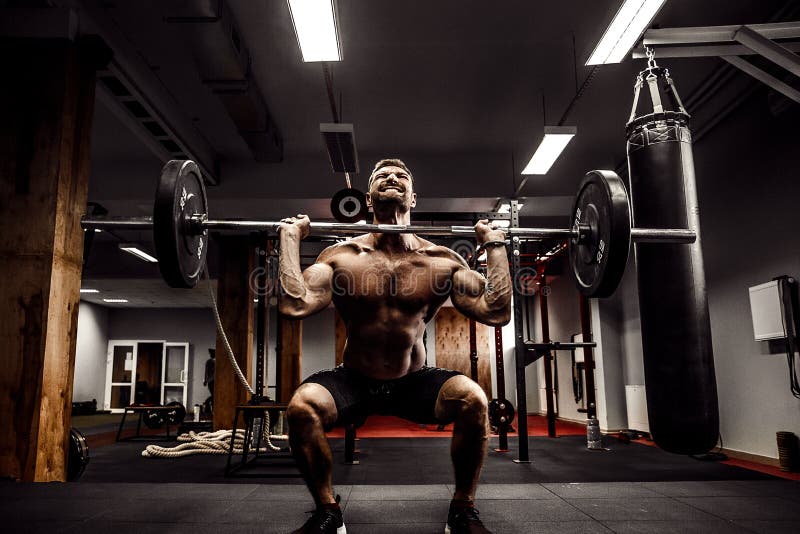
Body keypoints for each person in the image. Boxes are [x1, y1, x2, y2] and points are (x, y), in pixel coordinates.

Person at [279, 159, 512, 534]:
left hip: (414, 381)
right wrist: (289, 241)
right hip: (354, 379)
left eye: (401, 176)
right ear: (368, 199)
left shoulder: (443, 261)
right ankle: (327, 511)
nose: (391, 178)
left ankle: (463, 509)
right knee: (302, 408)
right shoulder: (340, 257)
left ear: (413, 197)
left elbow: (495, 312)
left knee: (474, 400)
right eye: (380, 176)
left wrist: (496, 245)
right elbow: (295, 304)